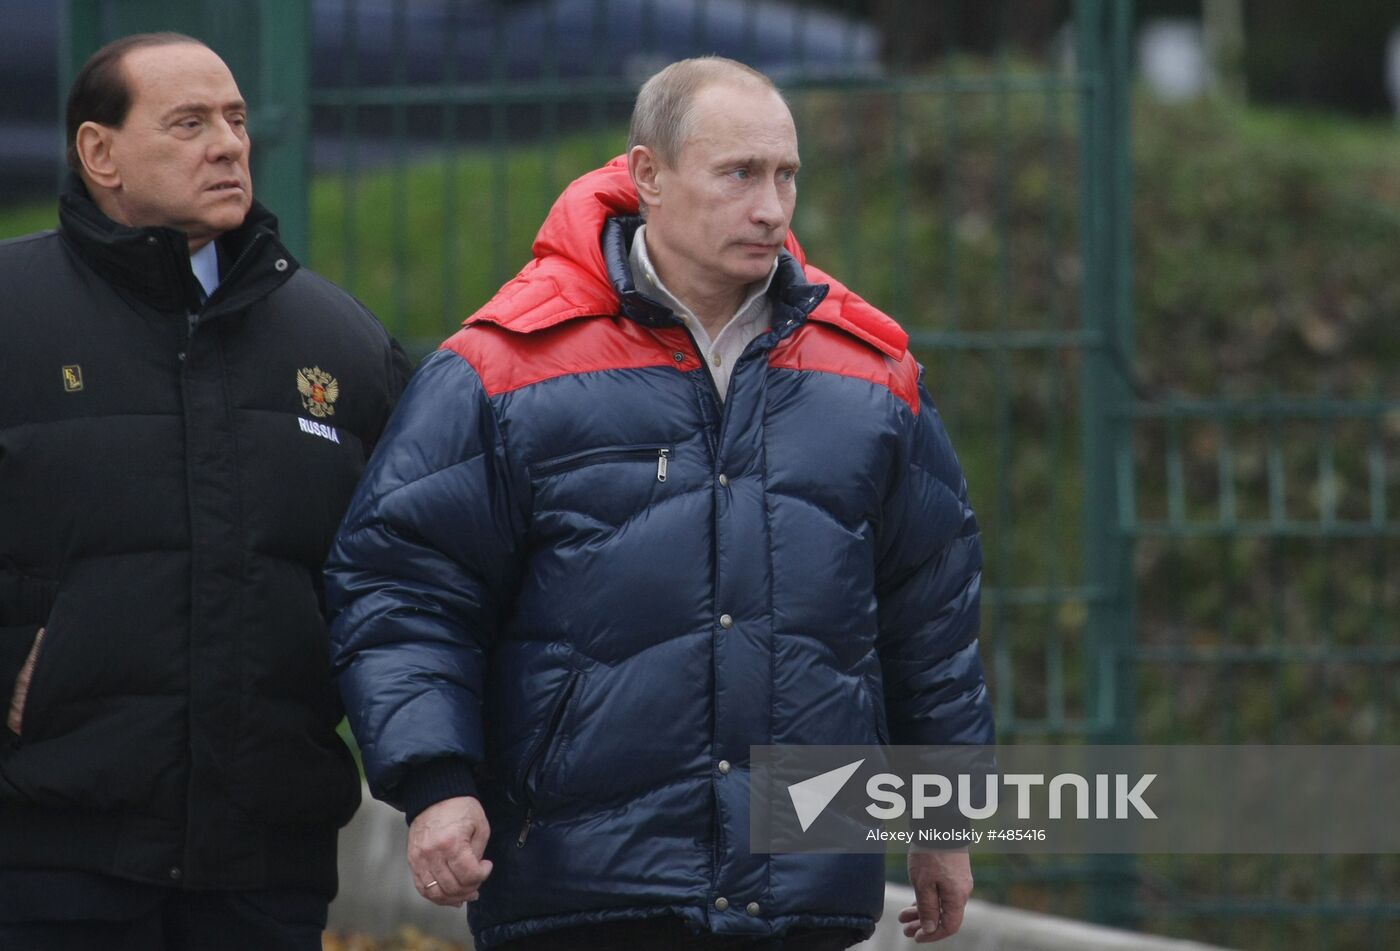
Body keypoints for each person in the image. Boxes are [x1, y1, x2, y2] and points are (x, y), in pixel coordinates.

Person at [327, 57, 994, 950]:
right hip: (581, 884)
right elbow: (404, 585)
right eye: (739, 174)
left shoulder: (870, 375)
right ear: (648, 176)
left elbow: (931, 608)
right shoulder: (505, 366)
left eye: (786, 175)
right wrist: (436, 780)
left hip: (799, 879)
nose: (772, 208)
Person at [0, 32, 411, 951]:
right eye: (188, 124)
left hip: (265, 866)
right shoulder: (10, 313)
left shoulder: (343, 344)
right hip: (42, 856)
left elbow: (401, 577)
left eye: (233, 119)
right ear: (98, 152)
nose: (228, 144)